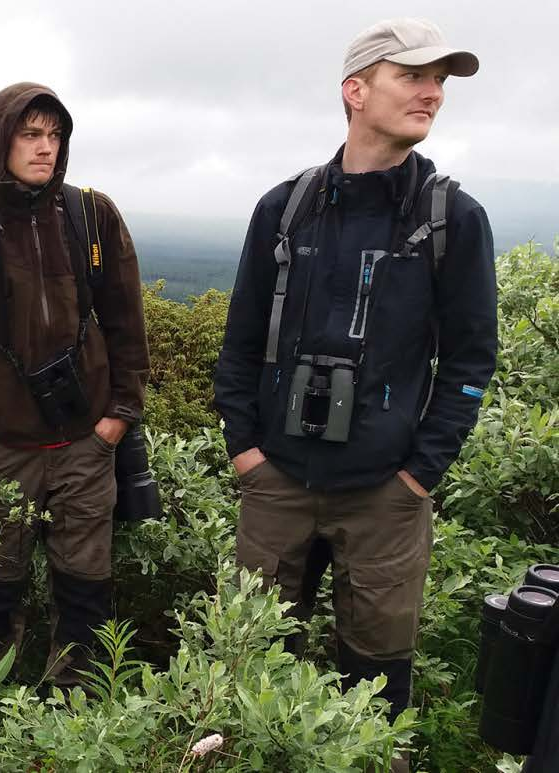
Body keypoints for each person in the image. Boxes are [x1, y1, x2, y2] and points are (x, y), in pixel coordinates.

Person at [212, 18, 494, 742]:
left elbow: (469, 364)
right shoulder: (286, 209)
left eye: (441, 81)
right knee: (253, 675)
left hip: (385, 495)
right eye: (414, 76)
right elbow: (240, 342)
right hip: (276, 480)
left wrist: (418, 477)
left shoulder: (453, 220)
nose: (432, 93)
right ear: (356, 89)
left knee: (375, 690)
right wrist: (246, 449)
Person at [0, 83, 149, 686]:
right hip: (4, 451)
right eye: (30, 134)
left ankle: (76, 710)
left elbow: (127, 323)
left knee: (86, 588)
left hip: (85, 446)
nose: (46, 148)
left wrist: (117, 419)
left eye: (55, 135)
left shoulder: (92, 217)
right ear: (0, 141)